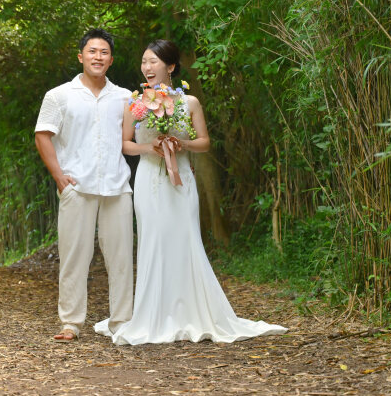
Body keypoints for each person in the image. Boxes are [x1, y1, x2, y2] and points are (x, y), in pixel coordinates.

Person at [95, 39, 287, 345]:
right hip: (149, 178)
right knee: (153, 241)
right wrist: (152, 147)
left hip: (181, 177)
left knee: (185, 238)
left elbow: (205, 142)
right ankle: (153, 313)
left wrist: (179, 144)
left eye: (154, 62)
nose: (147, 67)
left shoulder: (190, 103)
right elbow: (126, 144)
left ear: (170, 67)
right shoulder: (135, 103)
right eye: (144, 61)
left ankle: (191, 310)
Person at [35, 28, 134, 342]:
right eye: (92, 51)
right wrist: (59, 177)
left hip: (117, 187)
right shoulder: (59, 95)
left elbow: (134, 137)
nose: (98, 57)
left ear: (111, 60)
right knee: (74, 257)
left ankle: (122, 323)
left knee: (121, 258)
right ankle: (71, 322)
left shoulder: (125, 97)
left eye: (104, 52)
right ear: (81, 56)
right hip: (77, 186)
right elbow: (43, 135)